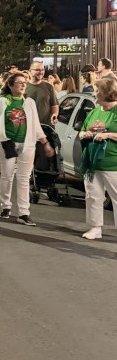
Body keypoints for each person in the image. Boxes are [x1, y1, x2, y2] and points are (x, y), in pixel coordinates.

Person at [0, 72, 54, 226]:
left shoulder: (29, 102)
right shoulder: (1, 101)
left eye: (24, 82)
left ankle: (24, 212)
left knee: (24, 178)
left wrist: (45, 143)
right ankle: (5, 206)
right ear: (10, 85)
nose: (23, 85)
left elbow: (36, 125)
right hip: (7, 143)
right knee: (7, 175)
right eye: (19, 82)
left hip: (27, 144)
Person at [79, 76, 117, 240]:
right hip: (92, 163)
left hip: (113, 163)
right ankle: (95, 228)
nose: (94, 94)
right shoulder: (94, 112)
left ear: (106, 93)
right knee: (93, 196)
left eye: (97, 91)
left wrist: (107, 135)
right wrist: (84, 134)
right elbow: (81, 131)